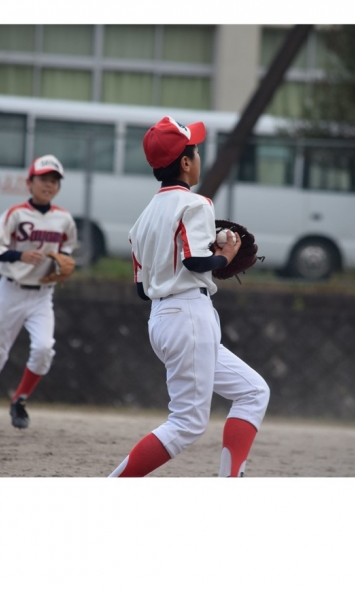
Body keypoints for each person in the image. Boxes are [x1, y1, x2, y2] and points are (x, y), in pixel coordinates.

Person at [108, 117, 270, 477]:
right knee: (187, 423)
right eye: (195, 152)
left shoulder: (143, 220)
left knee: (253, 391)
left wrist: (208, 255)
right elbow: (195, 261)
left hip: (162, 319)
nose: (198, 158)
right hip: (188, 317)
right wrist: (224, 256)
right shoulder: (196, 204)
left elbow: (142, 289)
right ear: (185, 162)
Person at [0, 155, 78, 436]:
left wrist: (62, 264)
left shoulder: (64, 219)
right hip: (10, 292)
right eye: (43, 179)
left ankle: (20, 399)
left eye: (54, 181)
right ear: (29, 183)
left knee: (43, 349)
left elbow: (67, 250)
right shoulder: (15, 214)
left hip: (42, 295)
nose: (49, 185)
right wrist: (20, 255)